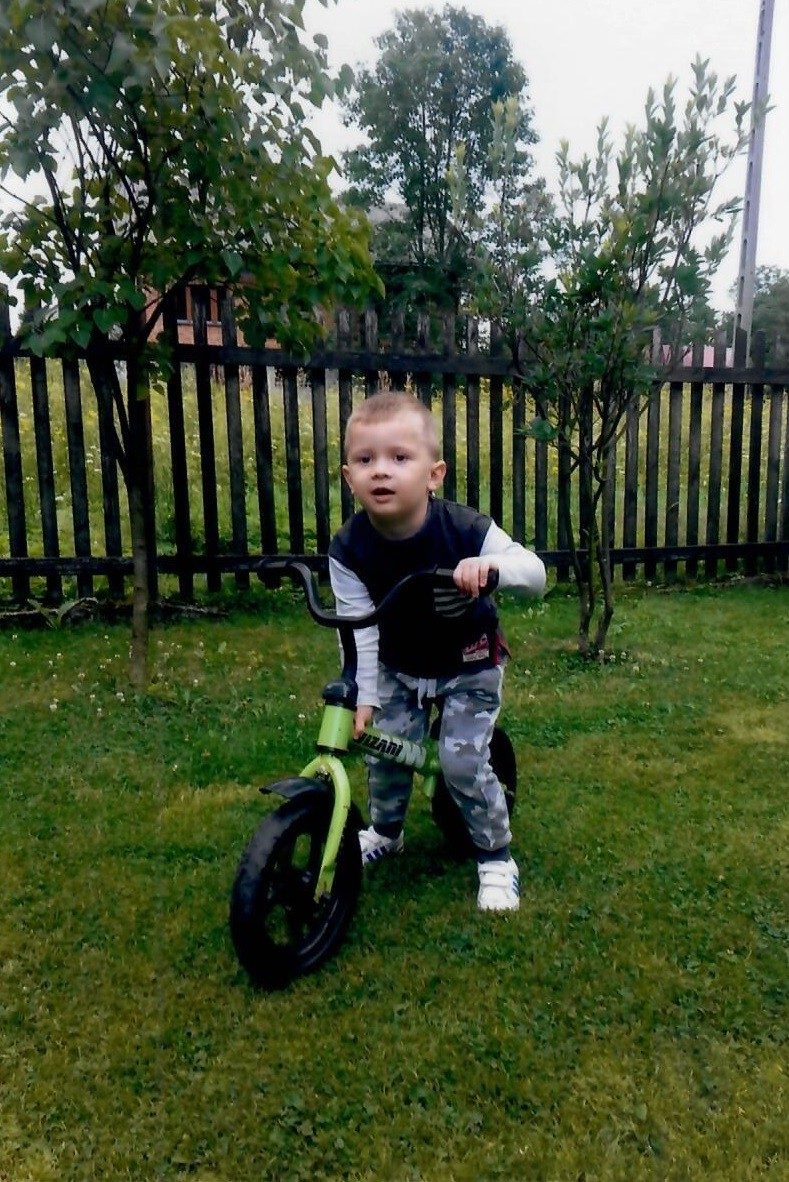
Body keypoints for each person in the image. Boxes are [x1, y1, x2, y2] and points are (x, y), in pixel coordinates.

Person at [328, 391, 546, 911]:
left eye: (399, 457)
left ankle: (495, 856)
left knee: (460, 761)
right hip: (400, 664)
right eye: (365, 459)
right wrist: (364, 695)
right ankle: (387, 832)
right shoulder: (349, 548)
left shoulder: (465, 529)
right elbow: (358, 629)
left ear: (434, 474)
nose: (381, 470)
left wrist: (492, 569)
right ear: (349, 477)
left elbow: (536, 574)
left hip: (468, 663)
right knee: (384, 749)